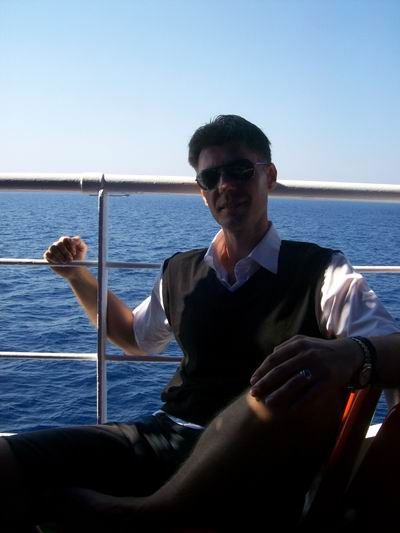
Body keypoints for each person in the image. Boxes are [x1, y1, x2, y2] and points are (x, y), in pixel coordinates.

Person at [1, 115, 399, 531]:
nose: (225, 186)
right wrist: (78, 277)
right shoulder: (181, 271)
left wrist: (351, 353)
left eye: (239, 170)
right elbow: (135, 337)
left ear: (269, 176)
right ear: (201, 191)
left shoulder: (320, 271)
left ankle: (150, 517)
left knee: (270, 391)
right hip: (165, 436)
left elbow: (393, 347)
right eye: (210, 177)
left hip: (255, 467)